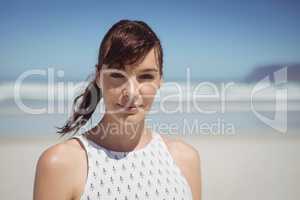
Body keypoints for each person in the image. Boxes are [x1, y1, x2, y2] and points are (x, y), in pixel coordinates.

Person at [33, 19, 201, 200]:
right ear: (98, 77)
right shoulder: (60, 164)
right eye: (116, 75)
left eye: (146, 76)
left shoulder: (185, 159)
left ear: (160, 79)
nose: (131, 92)